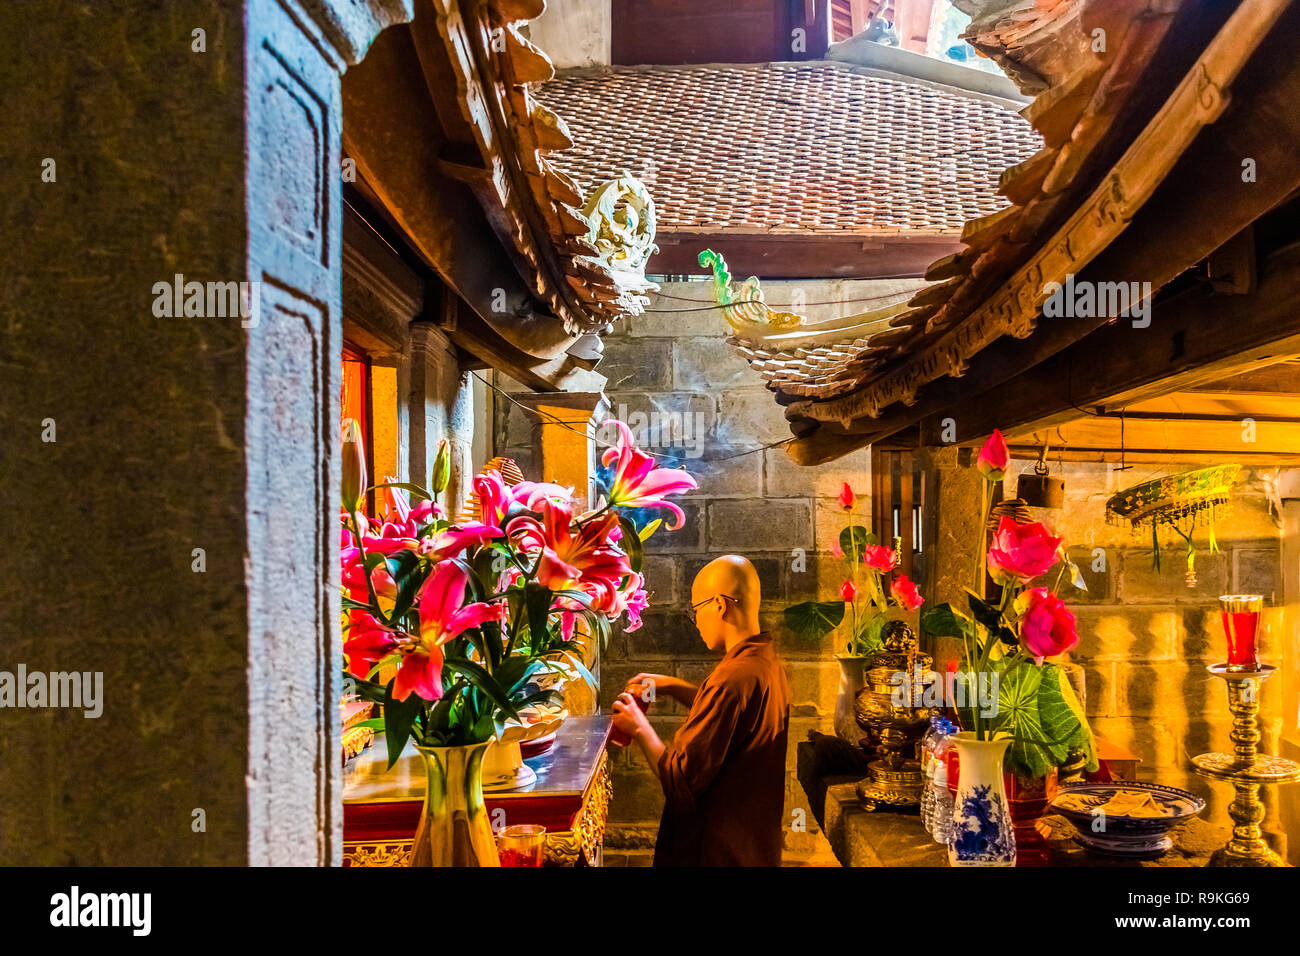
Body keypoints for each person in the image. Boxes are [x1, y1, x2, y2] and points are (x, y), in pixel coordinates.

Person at [611, 555, 791, 866]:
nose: (696, 621)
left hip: (715, 852)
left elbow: (679, 781)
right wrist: (670, 685)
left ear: (720, 605)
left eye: (697, 610)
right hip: (752, 847)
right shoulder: (766, 662)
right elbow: (729, 719)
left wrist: (638, 727)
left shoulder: (731, 678)